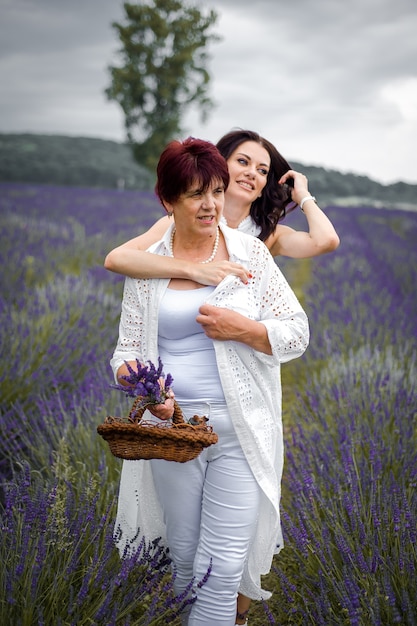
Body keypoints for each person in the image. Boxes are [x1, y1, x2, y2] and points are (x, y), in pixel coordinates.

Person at [110, 137, 310, 626]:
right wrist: (146, 389)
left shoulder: (250, 254)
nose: (210, 205)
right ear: (168, 201)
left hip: (240, 432)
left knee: (220, 570)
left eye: (217, 191)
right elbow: (125, 354)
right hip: (172, 434)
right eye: (196, 194)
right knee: (184, 564)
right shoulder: (149, 267)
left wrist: (245, 329)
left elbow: (296, 332)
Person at [104, 129, 340, 285]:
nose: (251, 173)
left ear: (263, 187)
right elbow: (117, 258)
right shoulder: (181, 222)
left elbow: (326, 241)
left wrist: (304, 196)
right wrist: (193, 270)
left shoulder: (269, 235)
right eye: (242, 161)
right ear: (220, 166)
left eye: (262, 171)